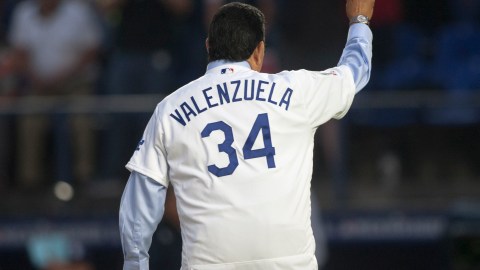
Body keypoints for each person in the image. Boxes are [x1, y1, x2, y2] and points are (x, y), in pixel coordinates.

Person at [119, 1, 374, 269]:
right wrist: (359, 21)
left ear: (208, 47)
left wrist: (135, 264)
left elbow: (141, 199)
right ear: (260, 51)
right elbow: (354, 72)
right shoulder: (296, 90)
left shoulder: (170, 109)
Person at [7, 0, 102, 187]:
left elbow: (92, 51)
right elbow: (19, 52)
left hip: (75, 83)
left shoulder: (78, 11)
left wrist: (62, 78)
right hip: (38, 84)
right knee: (29, 122)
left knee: (82, 120)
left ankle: (84, 178)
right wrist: (36, 78)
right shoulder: (24, 12)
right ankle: (30, 182)